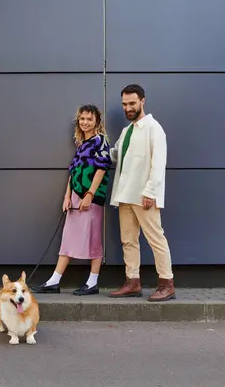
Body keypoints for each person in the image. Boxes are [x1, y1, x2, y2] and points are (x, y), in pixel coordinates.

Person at [31, 104, 112, 296]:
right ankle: (54, 281)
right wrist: (67, 196)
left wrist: (90, 194)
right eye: (82, 119)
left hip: (90, 198)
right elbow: (73, 171)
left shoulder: (99, 141)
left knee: (93, 239)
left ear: (97, 122)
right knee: (68, 238)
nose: (85, 122)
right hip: (76, 196)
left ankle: (92, 282)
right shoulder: (81, 144)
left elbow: (102, 168)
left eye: (89, 119)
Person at [108, 84, 175, 302]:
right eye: (125, 104)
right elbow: (117, 156)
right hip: (124, 195)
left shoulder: (154, 128)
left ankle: (167, 284)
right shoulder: (127, 131)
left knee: (156, 238)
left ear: (142, 101)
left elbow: (158, 164)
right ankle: (132, 282)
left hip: (144, 195)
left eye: (132, 103)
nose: (128, 108)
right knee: (128, 240)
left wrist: (150, 192)